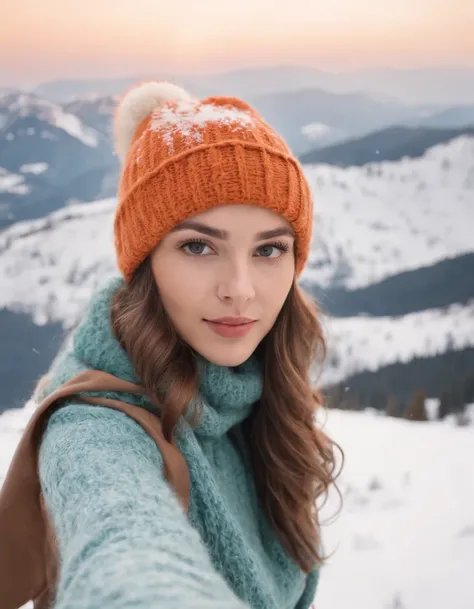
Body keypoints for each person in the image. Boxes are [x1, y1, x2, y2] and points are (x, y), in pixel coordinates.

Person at [34, 82, 339, 609]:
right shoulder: (93, 427)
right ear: (144, 262)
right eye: (198, 246)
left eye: (269, 249)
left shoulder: (259, 393)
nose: (240, 289)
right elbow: (122, 544)